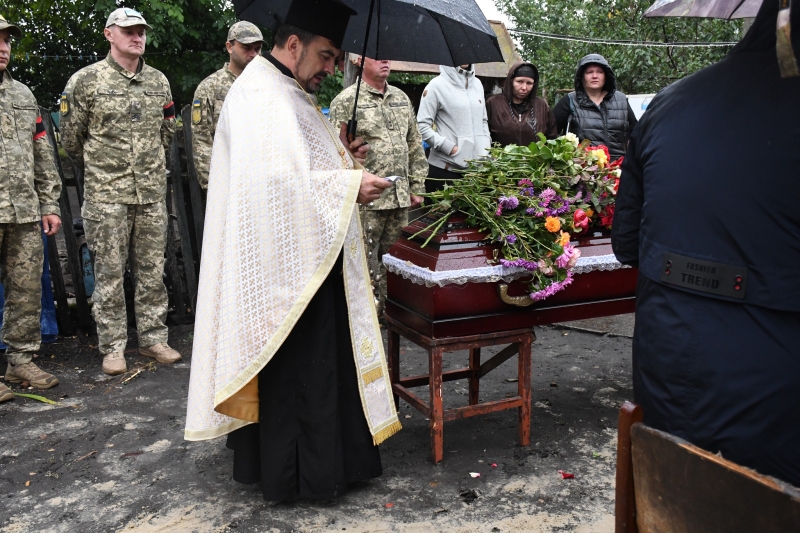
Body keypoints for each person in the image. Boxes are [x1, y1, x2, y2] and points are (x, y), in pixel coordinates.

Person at [184, 0, 402, 502]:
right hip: (282, 272)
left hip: (305, 259)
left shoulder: (287, 89)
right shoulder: (262, 94)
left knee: (322, 361)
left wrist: (343, 155)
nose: (331, 67)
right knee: (301, 367)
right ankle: (303, 475)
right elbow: (276, 186)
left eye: (336, 59)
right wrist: (349, 184)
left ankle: (334, 461)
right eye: (326, 56)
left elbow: (300, 167)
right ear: (295, 44)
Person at [611, 0, 800, 487]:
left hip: (666, 373)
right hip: (777, 404)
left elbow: (627, 243)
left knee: (674, 499)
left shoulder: (669, 102)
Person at [60, 8, 180, 376]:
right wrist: (105, 168)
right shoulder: (86, 81)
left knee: (151, 271)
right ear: (109, 34)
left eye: (141, 31)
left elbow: (168, 130)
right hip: (107, 196)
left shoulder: (158, 81)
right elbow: (71, 140)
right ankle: (112, 347)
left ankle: (153, 338)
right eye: (128, 31)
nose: (137, 37)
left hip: (150, 194)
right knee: (109, 275)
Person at [328, 55, 427, 318]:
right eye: (377, 56)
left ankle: (394, 316)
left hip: (399, 197)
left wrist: (417, 185)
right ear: (359, 60)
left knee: (397, 261)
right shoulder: (347, 101)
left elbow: (414, 143)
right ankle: (367, 319)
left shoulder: (401, 98)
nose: (385, 61)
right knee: (364, 262)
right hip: (367, 199)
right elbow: (335, 152)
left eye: (387, 57)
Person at [0, 15, 63, 402]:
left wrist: (49, 203)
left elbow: (41, 152)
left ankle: (20, 360)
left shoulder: (23, 95)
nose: (3, 47)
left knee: (25, 291)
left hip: (23, 211)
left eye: (7, 40)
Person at [190, 21, 265, 190]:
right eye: (247, 48)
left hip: (260, 181)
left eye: (257, 49)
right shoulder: (210, 87)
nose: (253, 54)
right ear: (229, 47)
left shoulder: (267, 85)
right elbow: (202, 140)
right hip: (226, 181)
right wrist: (213, 187)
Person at [417, 64, 491, 193]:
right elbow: (422, 126)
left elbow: (483, 120)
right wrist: (450, 148)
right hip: (445, 170)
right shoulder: (436, 85)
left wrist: (485, 145)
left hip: (476, 172)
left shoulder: (477, 84)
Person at [553, 54, 637, 160]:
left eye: (600, 72)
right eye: (589, 72)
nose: (594, 76)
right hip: (584, 167)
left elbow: (637, 134)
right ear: (582, 76)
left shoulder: (621, 100)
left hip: (619, 166)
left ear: (606, 75)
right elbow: (551, 134)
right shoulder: (569, 101)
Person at [485, 61, 557, 146]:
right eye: (519, 81)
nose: (524, 87)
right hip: (501, 154)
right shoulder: (494, 103)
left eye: (529, 83)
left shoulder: (541, 106)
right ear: (511, 81)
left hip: (534, 154)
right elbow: (483, 134)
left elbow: (552, 137)